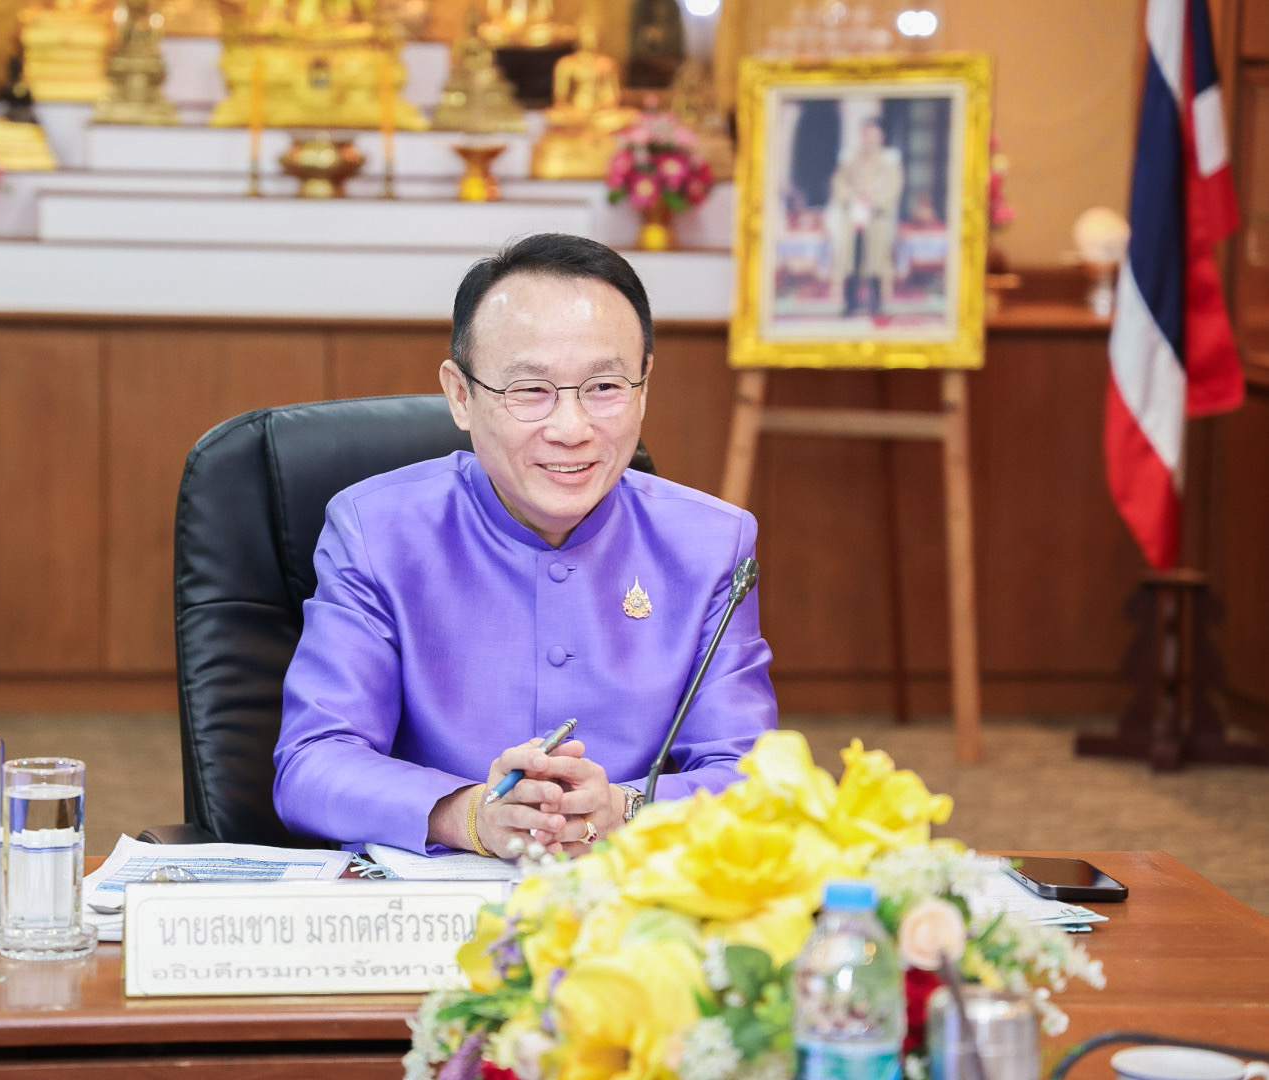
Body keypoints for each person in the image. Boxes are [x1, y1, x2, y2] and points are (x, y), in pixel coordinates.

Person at [272, 234, 777, 859]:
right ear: (461, 395)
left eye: (605, 386)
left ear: (644, 388)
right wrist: (469, 815)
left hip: (626, 898)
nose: (571, 428)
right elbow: (312, 763)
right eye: (530, 390)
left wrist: (627, 809)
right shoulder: (376, 531)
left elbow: (755, 781)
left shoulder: (711, 543)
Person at [827, 116, 903, 317]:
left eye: (873, 134)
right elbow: (839, 181)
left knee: (875, 260)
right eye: (866, 133)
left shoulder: (890, 159)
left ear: (881, 135)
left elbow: (894, 186)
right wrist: (853, 197)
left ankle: (875, 303)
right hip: (853, 216)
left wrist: (873, 200)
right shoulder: (849, 157)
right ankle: (850, 302)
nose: (869, 138)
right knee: (851, 260)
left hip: (877, 217)